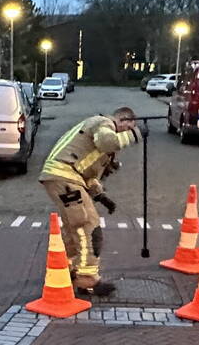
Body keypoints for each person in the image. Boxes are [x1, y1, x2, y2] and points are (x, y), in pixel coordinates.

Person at [39, 107, 142, 296]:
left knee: (73, 228)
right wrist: (136, 134)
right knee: (88, 224)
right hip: (65, 177)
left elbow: (85, 171)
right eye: (129, 127)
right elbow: (107, 142)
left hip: (62, 177)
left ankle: (65, 268)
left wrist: (101, 196)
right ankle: (87, 279)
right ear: (123, 120)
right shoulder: (103, 123)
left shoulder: (95, 127)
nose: (127, 132)